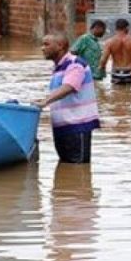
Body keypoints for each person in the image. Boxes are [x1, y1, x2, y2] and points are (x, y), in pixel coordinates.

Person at [37, 34, 100, 164]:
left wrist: (45, 101)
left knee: (79, 170)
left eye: (46, 44)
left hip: (77, 126)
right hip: (62, 127)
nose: (42, 48)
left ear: (60, 46)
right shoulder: (59, 67)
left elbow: (69, 87)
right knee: (66, 168)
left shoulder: (75, 63)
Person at [98, 18, 131, 85]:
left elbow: (103, 60)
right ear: (127, 28)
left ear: (116, 28)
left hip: (116, 73)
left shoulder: (109, 42)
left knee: (116, 94)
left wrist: (101, 70)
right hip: (130, 73)